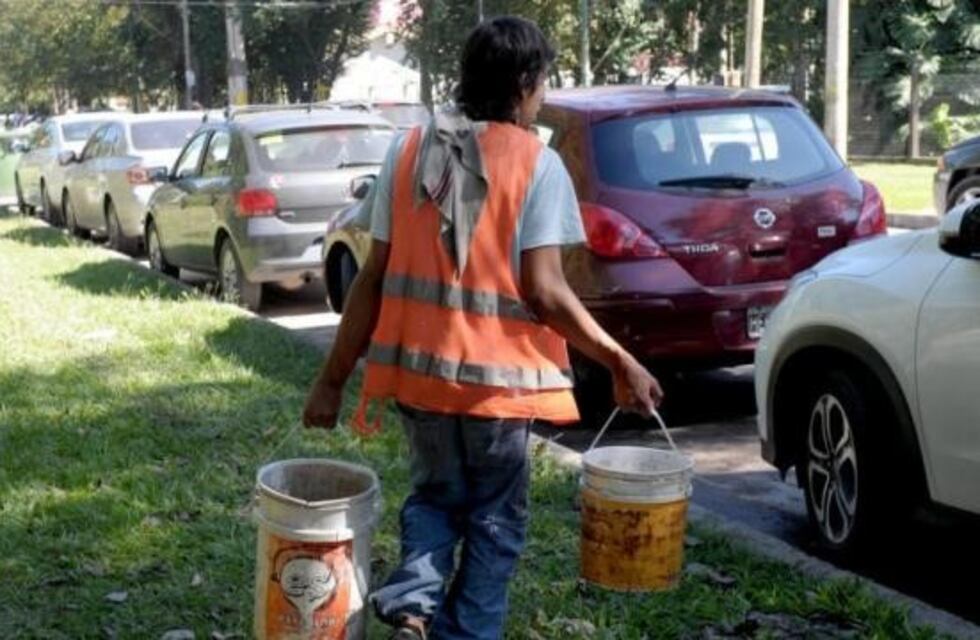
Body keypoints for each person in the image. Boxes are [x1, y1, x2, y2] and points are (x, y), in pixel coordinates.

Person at [303, 16, 663, 640]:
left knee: (435, 500)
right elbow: (546, 293)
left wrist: (331, 381)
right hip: (498, 393)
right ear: (524, 83)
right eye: (543, 80)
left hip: (421, 382)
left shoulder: (409, 150)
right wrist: (618, 360)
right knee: (495, 523)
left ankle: (413, 608)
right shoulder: (536, 164)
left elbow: (371, 277)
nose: (544, 94)